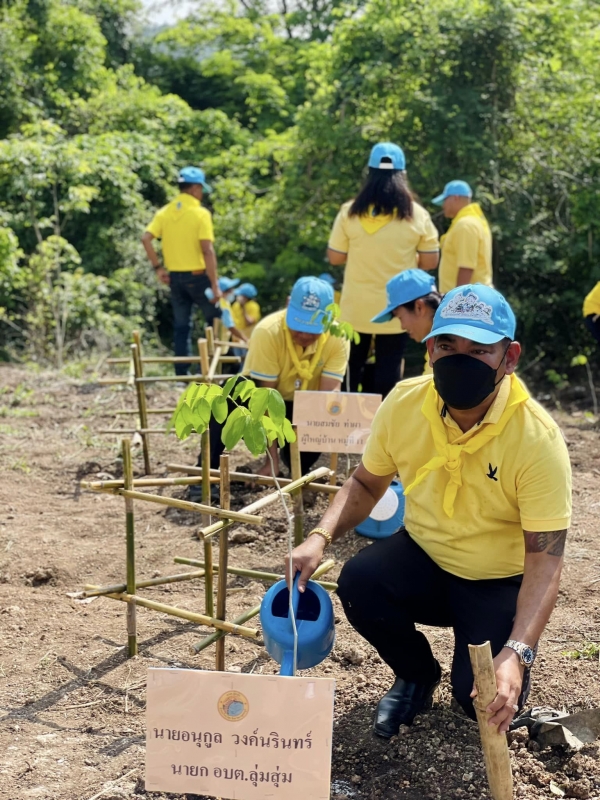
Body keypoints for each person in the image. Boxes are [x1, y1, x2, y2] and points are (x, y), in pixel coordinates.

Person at [287, 284, 571, 738]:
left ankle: (485, 655)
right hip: (424, 556)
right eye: (447, 345)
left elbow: (545, 558)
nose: (460, 360)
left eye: (479, 350)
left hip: (495, 580)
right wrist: (319, 537)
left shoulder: (536, 439)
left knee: (479, 702)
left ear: (510, 357)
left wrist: (517, 653)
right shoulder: (404, 403)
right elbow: (366, 482)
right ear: (429, 349)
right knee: (360, 581)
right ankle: (416, 675)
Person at [327, 142, 439, 398]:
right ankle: (385, 418)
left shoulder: (349, 212)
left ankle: (346, 420)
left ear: (369, 173)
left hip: (355, 309)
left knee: (350, 370)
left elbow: (335, 257)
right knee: (389, 371)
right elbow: (431, 261)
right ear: (403, 175)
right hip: (397, 308)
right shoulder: (416, 214)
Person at [210, 276, 349, 475]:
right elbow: (267, 398)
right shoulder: (268, 331)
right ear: (288, 304)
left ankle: (296, 463)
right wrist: (271, 460)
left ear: (329, 319)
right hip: (263, 401)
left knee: (301, 464)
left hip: (307, 404)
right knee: (229, 393)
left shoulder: (338, 336)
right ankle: (208, 470)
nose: (305, 335)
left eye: (313, 329)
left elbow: (328, 395)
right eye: (299, 326)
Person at [142, 166, 222, 376]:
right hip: (199, 277)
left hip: (175, 278)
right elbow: (207, 250)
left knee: (181, 326)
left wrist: (158, 267)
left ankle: (182, 374)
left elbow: (146, 238)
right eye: (201, 189)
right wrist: (215, 284)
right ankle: (213, 370)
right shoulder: (200, 213)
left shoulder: (164, 212)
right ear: (195, 188)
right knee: (215, 321)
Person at [371, 269, 442, 375]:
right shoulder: (439, 340)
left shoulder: (447, 346)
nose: (402, 327)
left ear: (419, 307)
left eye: (400, 317)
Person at [432, 180, 493, 295]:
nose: (443, 206)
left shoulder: (465, 225)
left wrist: (458, 301)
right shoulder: (473, 221)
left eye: (444, 200)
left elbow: (466, 267)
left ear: (456, 198)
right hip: (474, 297)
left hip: (470, 299)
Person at [204, 277, 248, 345]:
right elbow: (230, 327)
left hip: (218, 340)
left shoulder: (222, 303)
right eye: (230, 290)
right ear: (223, 292)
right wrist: (245, 339)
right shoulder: (223, 306)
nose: (233, 292)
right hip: (220, 342)